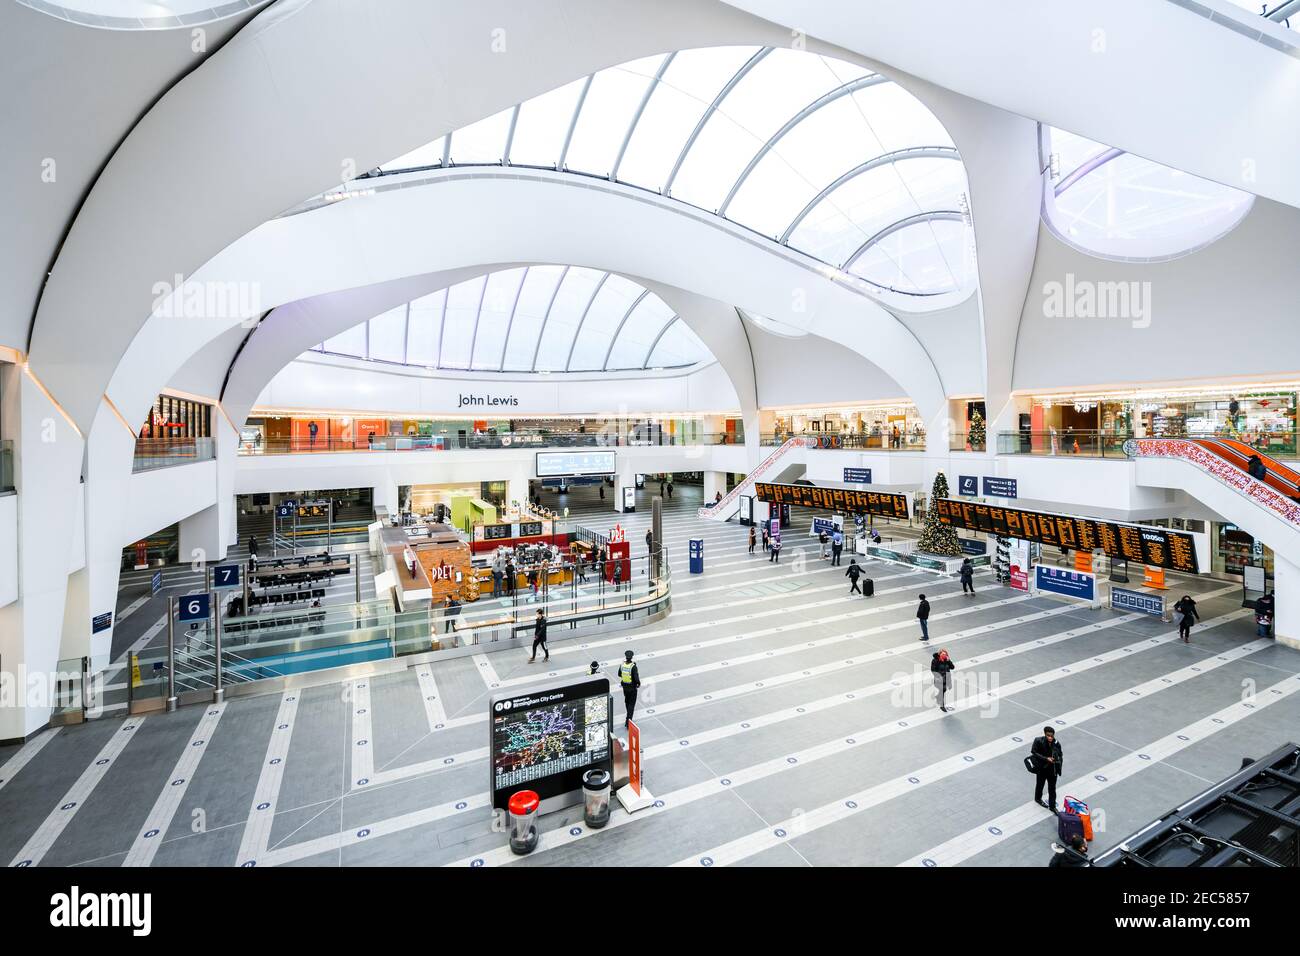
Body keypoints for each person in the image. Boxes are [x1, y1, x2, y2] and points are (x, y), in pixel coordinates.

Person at [1030, 726, 1063, 812]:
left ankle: (1052, 806)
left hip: (1052, 770)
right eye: (1048, 735)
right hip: (1042, 768)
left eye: (1052, 736)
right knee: (1040, 785)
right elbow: (1033, 751)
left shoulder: (1056, 743)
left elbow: (1060, 754)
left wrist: (1057, 761)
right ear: (1045, 734)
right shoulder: (1038, 740)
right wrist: (1046, 758)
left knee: (1052, 788)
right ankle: (1038, 798)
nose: (1050, 737)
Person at [618, 650, 641, 727]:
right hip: (632, 688)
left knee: (627, 702)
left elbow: (619, 674)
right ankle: (628, 722)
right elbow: (636, 678)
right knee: (632, 704)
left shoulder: (622, 665)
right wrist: (638, 683)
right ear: (632, 657)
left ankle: (628, 716)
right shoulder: (633, 666)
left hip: (625, 687)